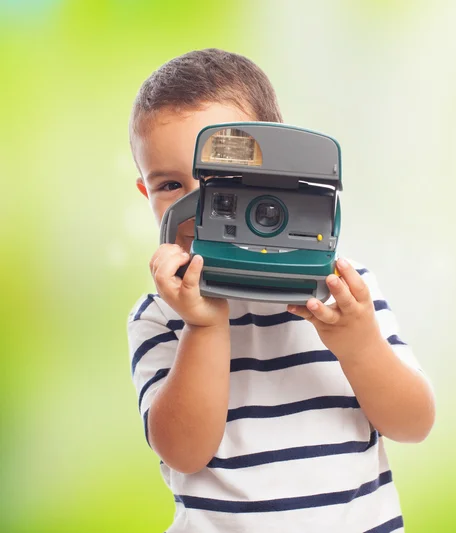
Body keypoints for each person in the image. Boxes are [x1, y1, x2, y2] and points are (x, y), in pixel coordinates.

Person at [127, 48, 435, 533]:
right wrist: (202, 325)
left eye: (222, 182)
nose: (199, 206)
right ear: (147, 194)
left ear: (281, 174)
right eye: (170, 184)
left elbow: (414, 424)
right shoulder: (160, 317)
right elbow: (184, 453)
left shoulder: (346, 295)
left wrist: (360, 346)